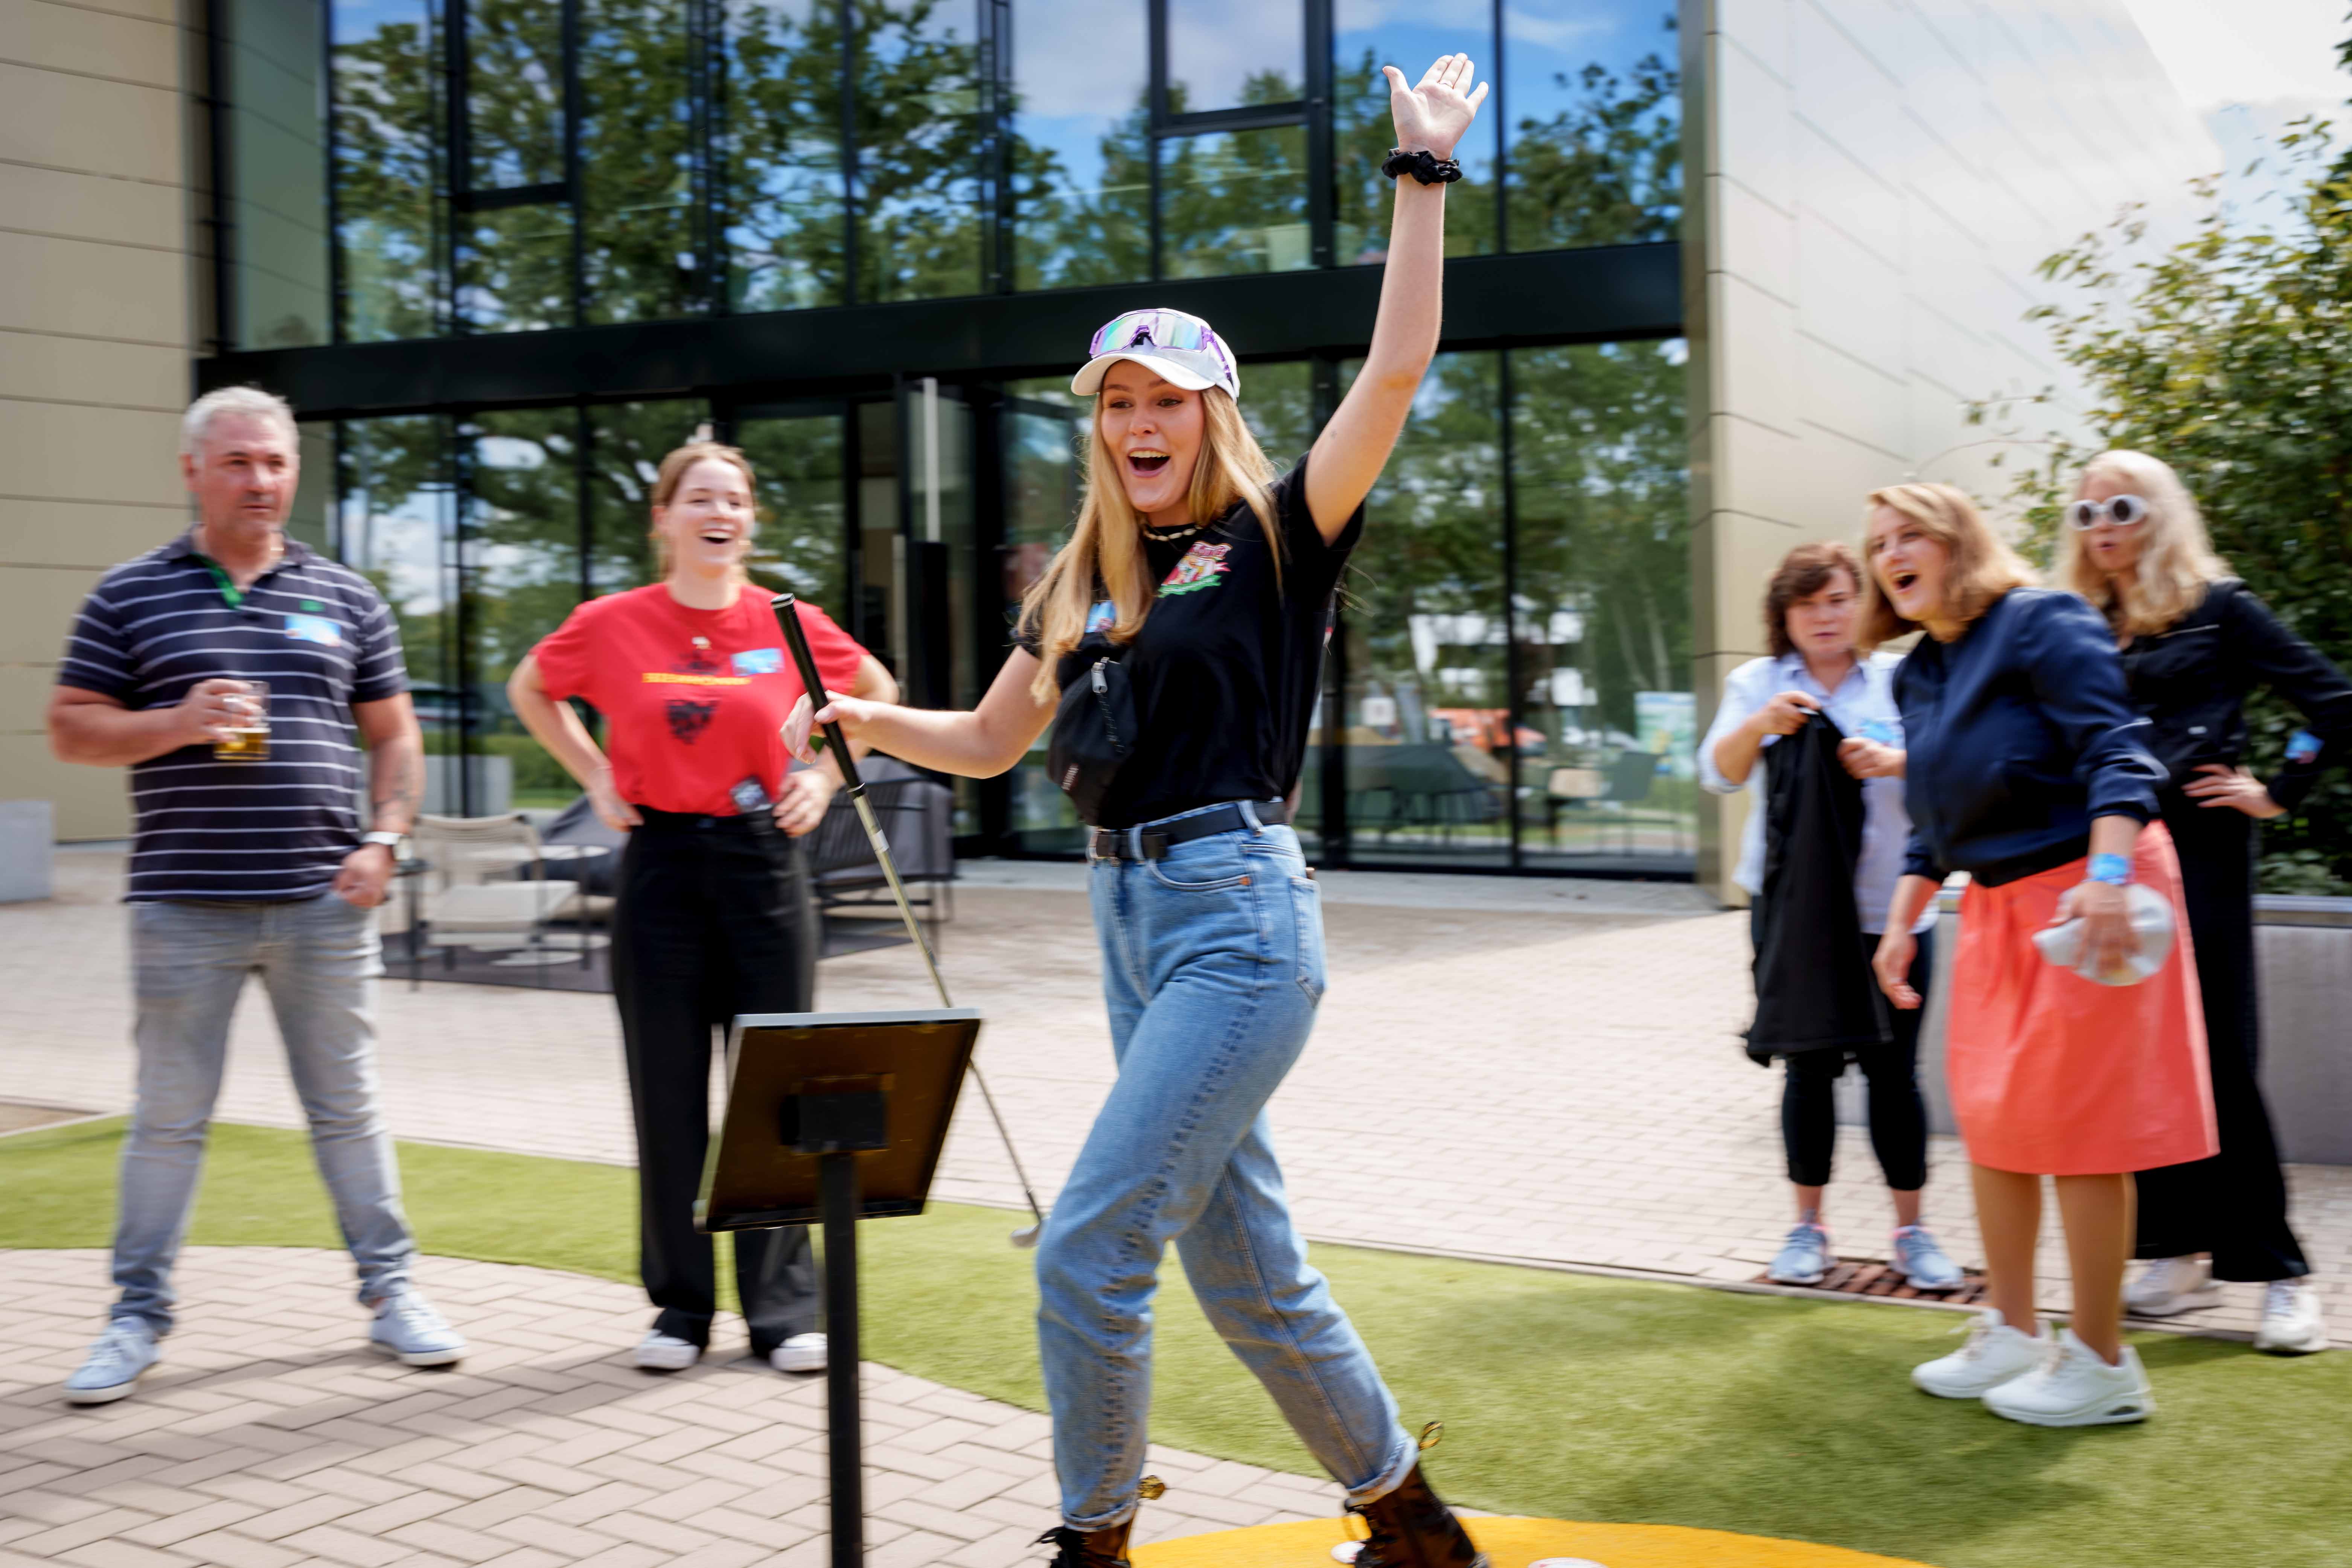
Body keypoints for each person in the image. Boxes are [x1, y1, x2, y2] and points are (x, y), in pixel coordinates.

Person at [781, 54, 1490, 1568]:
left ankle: (1091, 1544)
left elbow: (1391, 374)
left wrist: (1416, 178)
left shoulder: (1278, 536)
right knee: (1246, 1276)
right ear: (1096, 424)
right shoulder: (1082, 585)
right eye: (1116, 401)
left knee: (1090, 1248)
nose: (1138, 420)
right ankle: (1411, 1527)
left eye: (1166, 398)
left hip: (1235, 919)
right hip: (1127, 926)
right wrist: (859, 720)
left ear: (1210, 412)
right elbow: (983, 739)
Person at [46, 386, 465, 1405]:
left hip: (328, 901)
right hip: (183, 903)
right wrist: (178, 722)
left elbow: (395, 733)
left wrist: (385, 838)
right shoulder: (130, 593)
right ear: (193, 470)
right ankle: (136, 1316)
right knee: (170, 1118)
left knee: (349, 1110)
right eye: (237, 461)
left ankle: (394, 1290)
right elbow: (70, 726)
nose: (260, 479)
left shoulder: (349, 595)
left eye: (274, 461)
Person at [506, 441, 896, 1377]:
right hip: (661, 868)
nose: (720, 512)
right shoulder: (610, 623)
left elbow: (875, 695)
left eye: (736, 499)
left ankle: (781, 1309)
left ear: (750, 521)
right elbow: (532, 688)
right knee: (668, 1095)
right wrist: (595, 773)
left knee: (775, 1092)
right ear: (665, 519)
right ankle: (681, 1307)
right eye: (699, 498)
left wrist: (826, 773)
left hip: (766, 865)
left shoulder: (790, 619)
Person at [1862, 482, 2212, 1428]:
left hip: (2088, 891)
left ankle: (2101, 1362)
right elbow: (1932, 830)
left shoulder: (2040, 620)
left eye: (1908, 536)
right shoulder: (1917, 672)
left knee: (2084, 1129)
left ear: (1957, 544)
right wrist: (1901, 923)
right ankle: (2013, 1331)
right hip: (1996, 906)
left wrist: (2104, 875)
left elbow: (2118, 751)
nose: (1886, 555)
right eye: (1877, 543)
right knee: (1992, 1120)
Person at [2060, 450, 2350, 1356]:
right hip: (2109, 860)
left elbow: (2332, 705)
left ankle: (2279, 1274)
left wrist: (2278, 790)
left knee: (2218, 1053)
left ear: (2158, 513)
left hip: (2202, 857)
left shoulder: (2220, 607)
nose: (2102, 525)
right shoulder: (2077, 621)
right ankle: (2175, 1254)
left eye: (2119, 506)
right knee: (2133, 1059)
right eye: (2083, 513)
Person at [1698, 543, 1957, 1292]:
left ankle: (1912, 1233)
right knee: (1807, 1071)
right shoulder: (1757, 682)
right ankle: (1806, 1229)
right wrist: (1763, 726)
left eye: (1838, 599)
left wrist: (1893, 760)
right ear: (1784, 615)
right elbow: (1718, 772)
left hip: (1895, 909)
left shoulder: (1903, 679)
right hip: (1794, 913)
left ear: (1861, 604)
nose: (1824, 615)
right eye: (1807, 603)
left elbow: (1949, 769)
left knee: (1894, 1074)